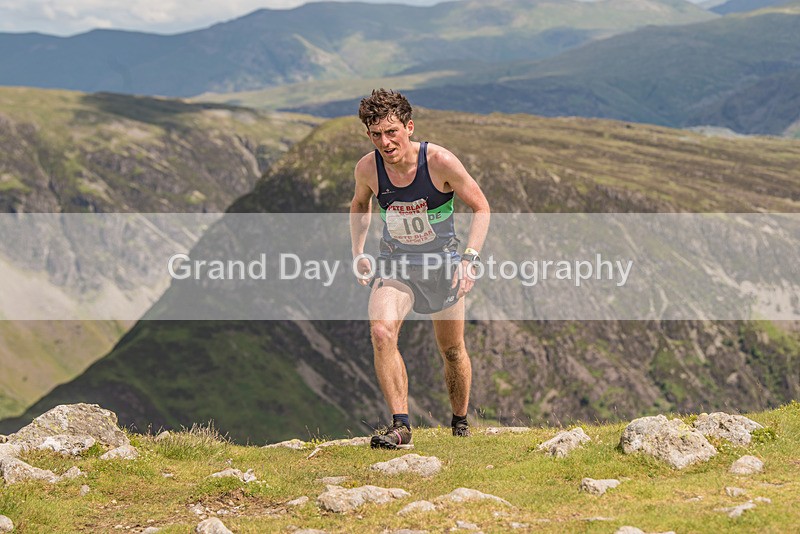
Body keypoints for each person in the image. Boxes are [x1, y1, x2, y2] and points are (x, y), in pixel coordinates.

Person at [349, 89, 490, 449]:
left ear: (408, 127)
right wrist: (358, 251)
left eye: (392, 131)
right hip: (396, 265)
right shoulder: (368, 168)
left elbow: (481, 207)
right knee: (381, 331)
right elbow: (360, 205)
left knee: (452, 350)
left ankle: (459, 421)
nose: (385, 141)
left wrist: (470, 260)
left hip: (441, 265)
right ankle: (401, 427)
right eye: (376, 134)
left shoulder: (440, 161)